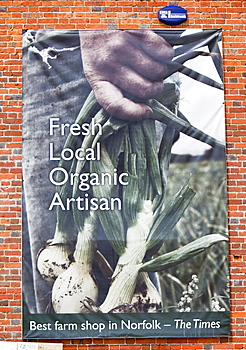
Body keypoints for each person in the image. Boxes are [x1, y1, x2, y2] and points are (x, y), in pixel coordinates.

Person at [22, 29, 174, 313]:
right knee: (35, 291)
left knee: (122, 231)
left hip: (89, 51)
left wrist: (101, 26)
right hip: (33, 53)